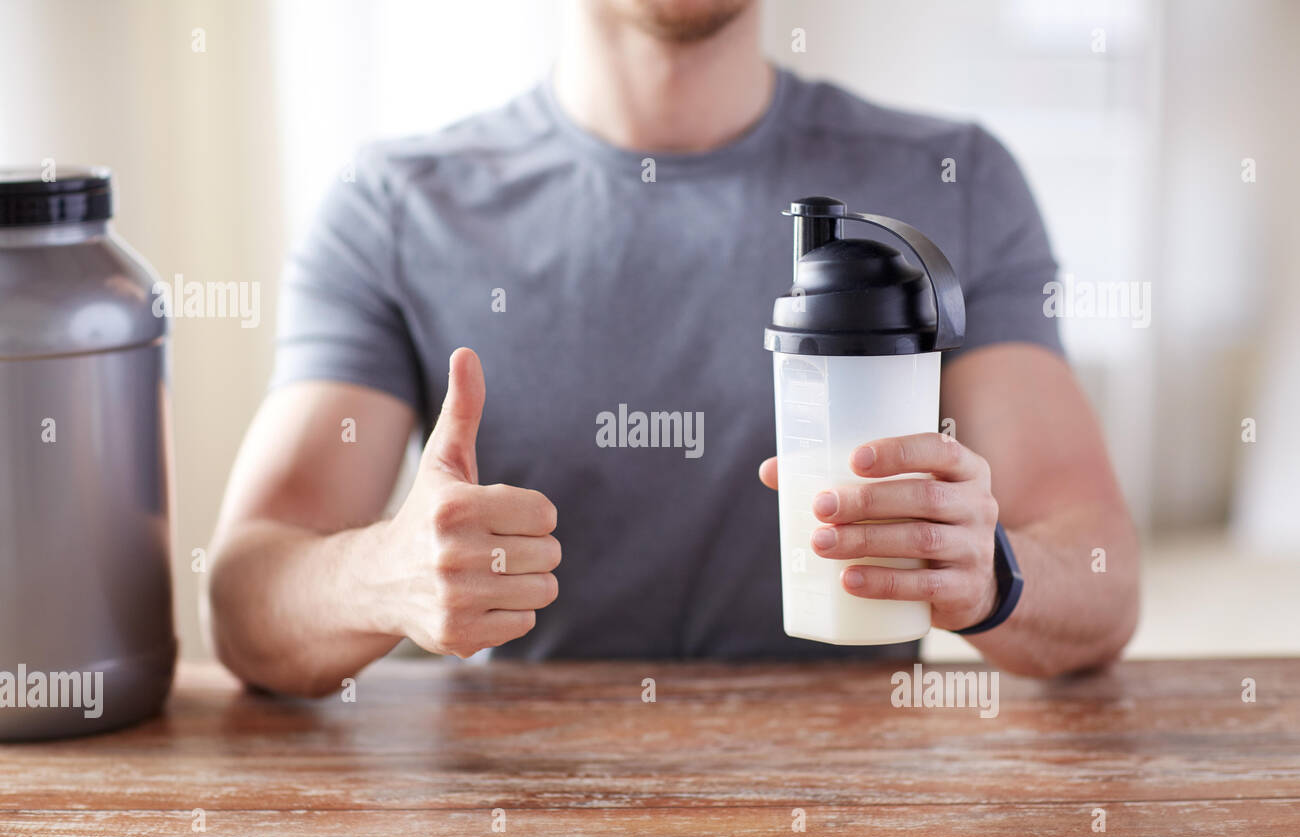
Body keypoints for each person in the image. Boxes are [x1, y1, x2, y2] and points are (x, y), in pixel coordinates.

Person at [202, 0, 1139, 696]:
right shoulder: (393, 208)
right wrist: (385, 576)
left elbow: (1099, 572)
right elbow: (246, 598)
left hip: (865, 802)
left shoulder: (956, 180)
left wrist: (993, 573)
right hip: (529, 806)